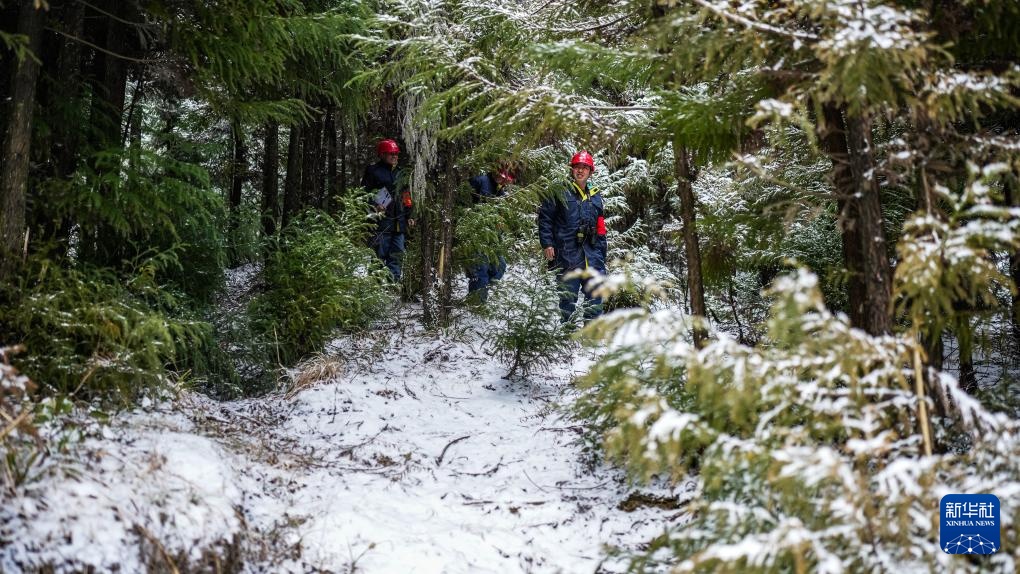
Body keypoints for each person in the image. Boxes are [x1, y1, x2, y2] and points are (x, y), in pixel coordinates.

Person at [538, 150, 608, 323]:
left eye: (585, 167)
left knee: (595, 295)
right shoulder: (559, 192)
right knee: (567, 298)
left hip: (592, 254)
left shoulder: (595, 195)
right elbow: (545, 218)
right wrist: (547, 244)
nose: (580, 170)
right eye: (577, 166)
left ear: (591, 171)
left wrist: (601, 253)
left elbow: (601, 227)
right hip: (567, 253)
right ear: (572, 169)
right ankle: (566, 333)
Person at [362, 139, 414, 281]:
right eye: (391, 154)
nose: (394, 156)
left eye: (396, 154)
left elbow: (406, 196)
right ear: (382, 154)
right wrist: (374, 205)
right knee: (378, 257)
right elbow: (363, 194)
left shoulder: (400, 172)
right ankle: (375, 289)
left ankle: (393, 287)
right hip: (381, 224)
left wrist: (410, 215)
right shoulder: (373, 171)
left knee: (397, 257)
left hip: (399, 223)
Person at [466, 168, 514, 302]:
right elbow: (465, 201)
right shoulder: (480, 181)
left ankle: (482, 290)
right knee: (481, 269)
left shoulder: (501, 191)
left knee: (500, 266)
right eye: (503, 178)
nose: (504, 181)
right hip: (477, 234)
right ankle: (477, 302)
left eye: (507, 180)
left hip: (493, 237)